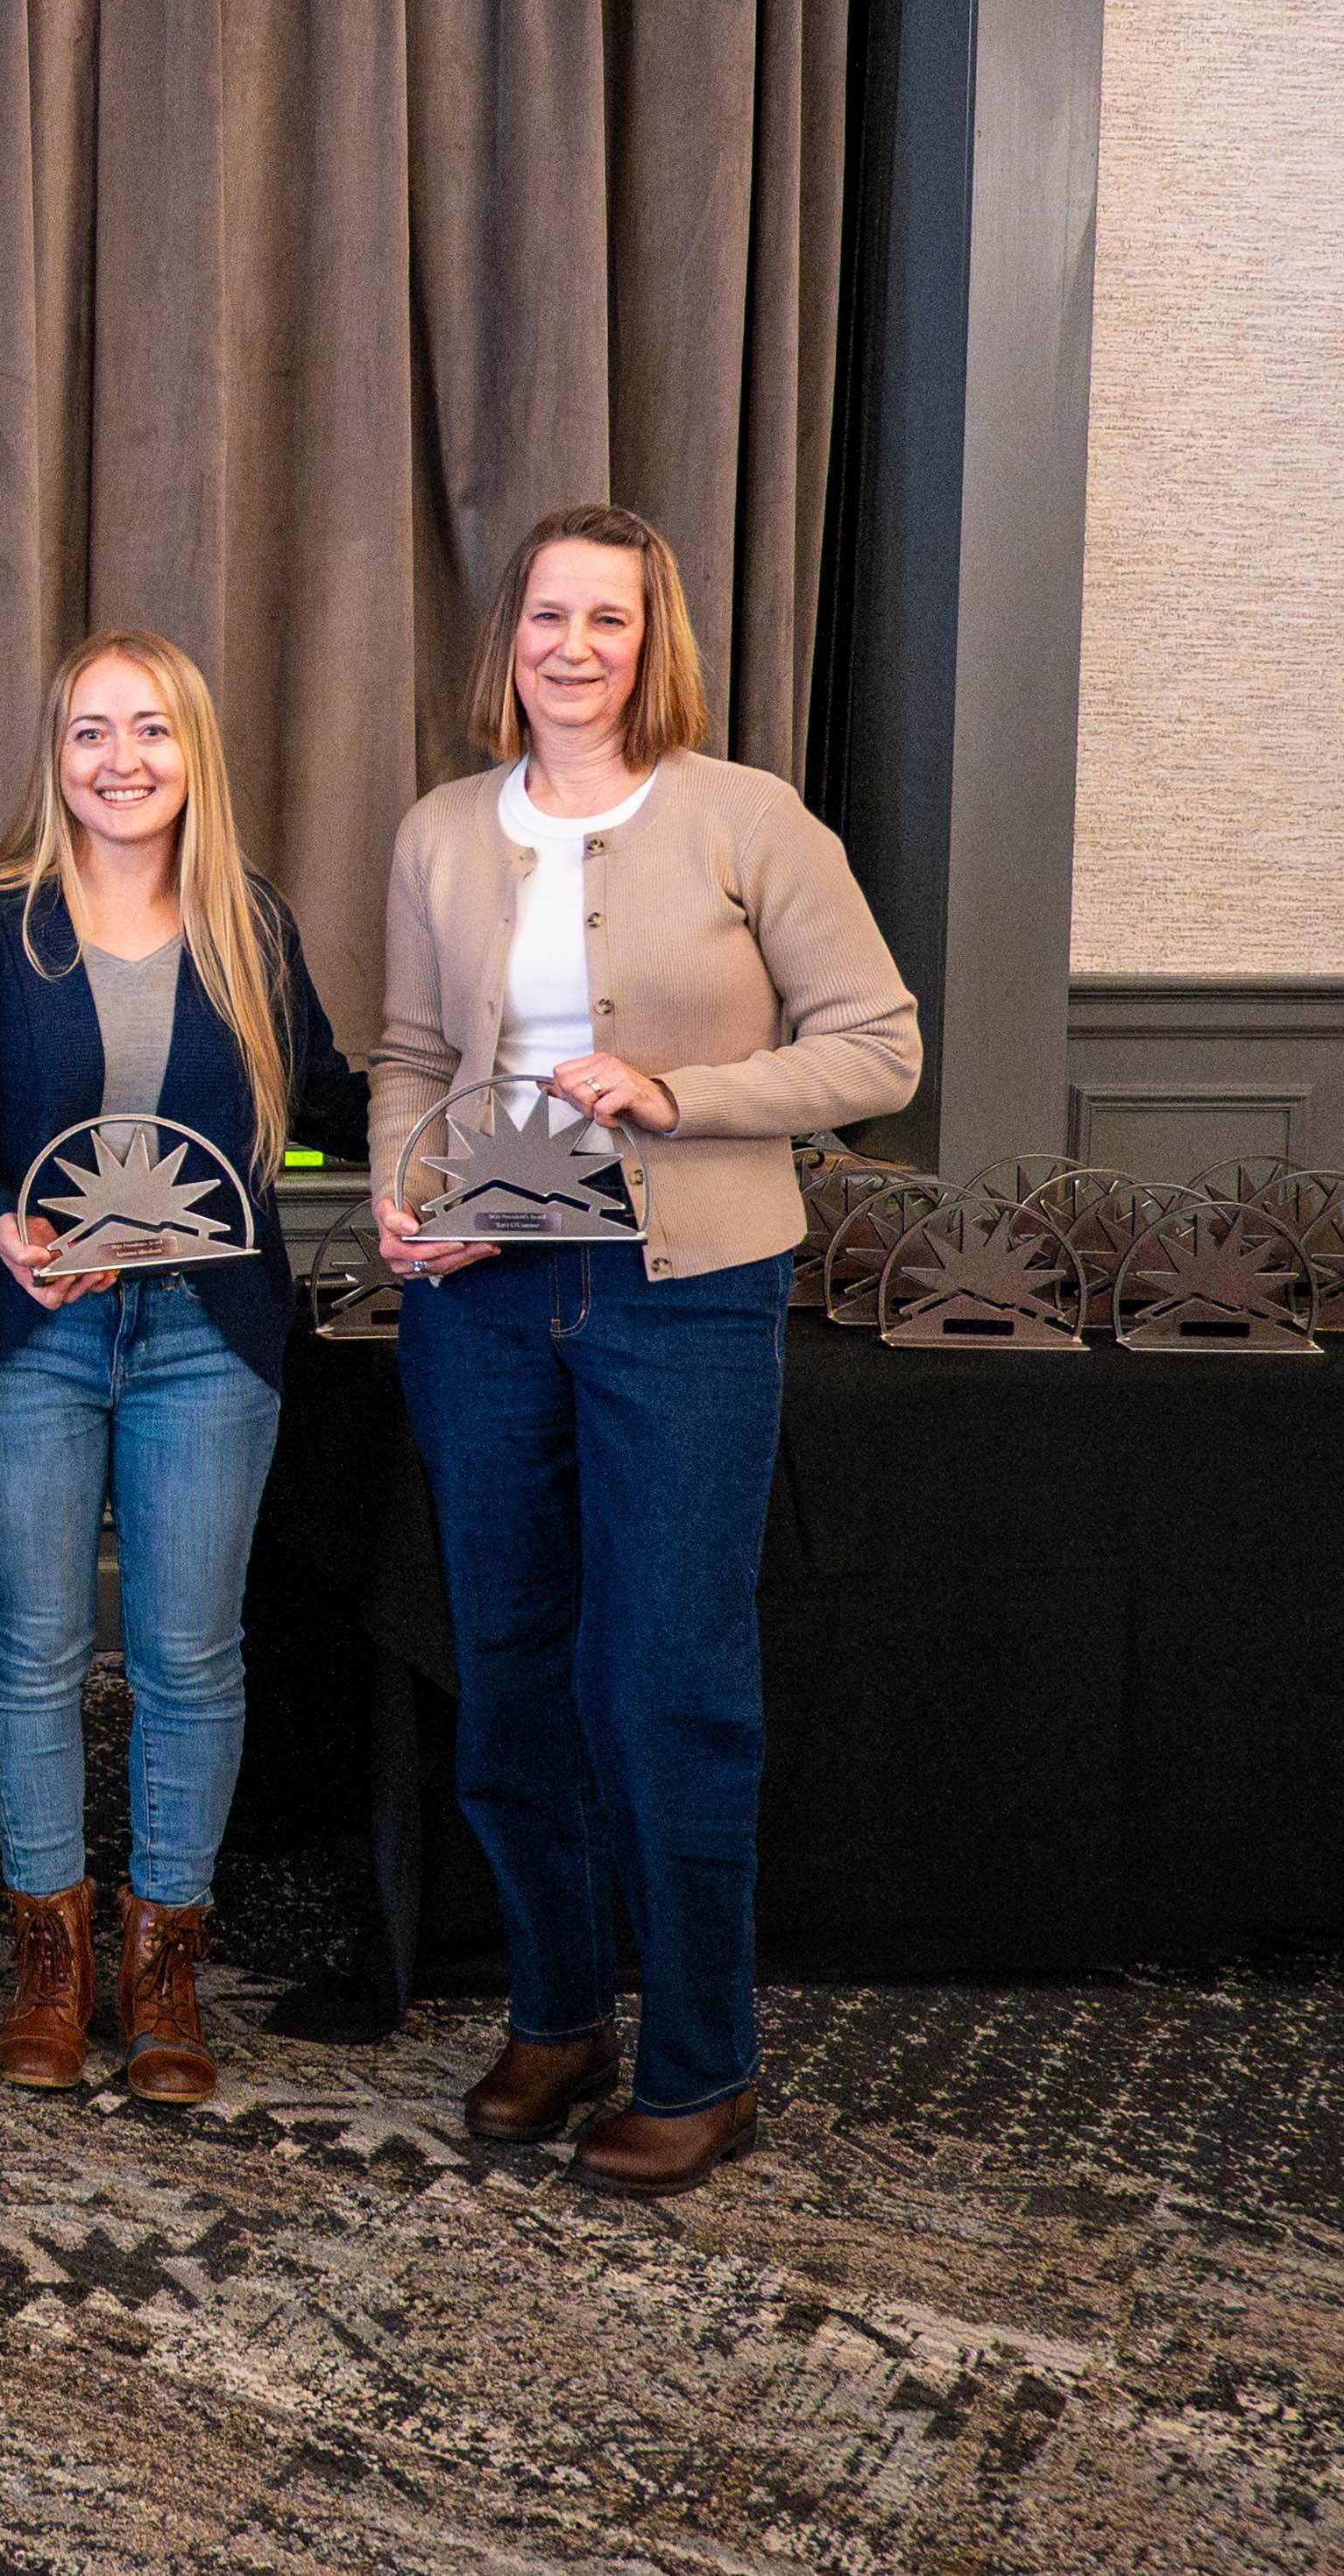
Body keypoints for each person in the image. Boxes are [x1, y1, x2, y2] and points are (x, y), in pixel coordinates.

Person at [371, 505, 917, 2194]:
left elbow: (880, 1046)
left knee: (666, 1684)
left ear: (651, 639)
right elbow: (404, 1051)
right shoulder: (443, 832)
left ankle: (702, 2059)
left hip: (686, 1300)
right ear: (511, 639)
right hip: (487, 1305)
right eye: (549, 615)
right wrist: (411, 1191)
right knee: (511, 1670)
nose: (574, 647)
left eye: (609, 618)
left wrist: (681, 1096)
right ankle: (556, 2016)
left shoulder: (749, 818)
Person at [0, 631, 363, 2105]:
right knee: (33, 1647)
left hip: (207, 1334)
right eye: (91, 731)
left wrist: (477, 1114)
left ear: (195, 755)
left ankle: (164, 1962)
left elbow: (331, 1098)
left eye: (153, 731)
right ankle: (50, 1957)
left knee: (191, 1655)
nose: (122, 760)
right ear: (55, 756)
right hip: (28, 1325)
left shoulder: (250, 923)